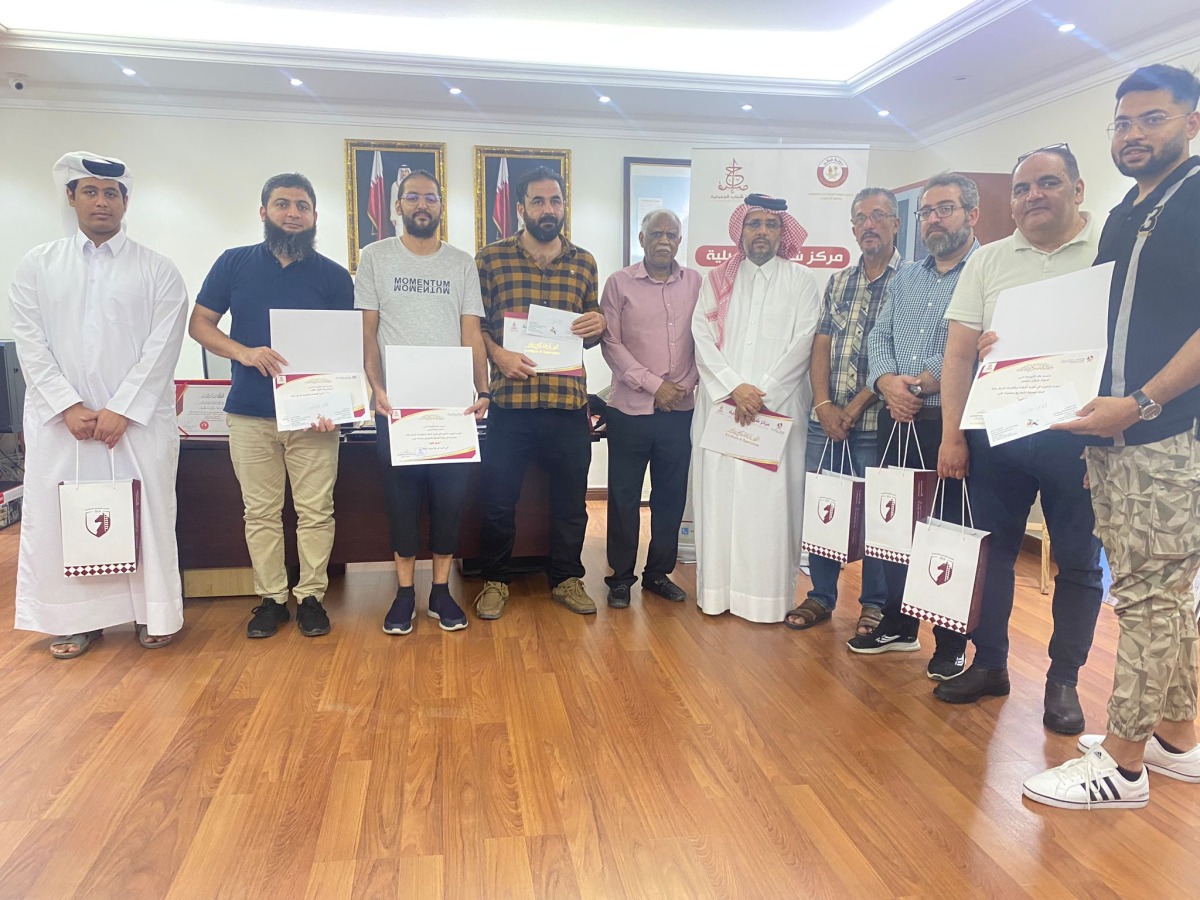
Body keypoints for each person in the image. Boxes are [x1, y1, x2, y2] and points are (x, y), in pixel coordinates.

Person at [1023, 64, 1200, 810]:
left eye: (1152, 120)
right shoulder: (1129, 212)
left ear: (1191, 120)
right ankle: (1178, 739)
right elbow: (1094, 319)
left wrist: (1143, 405)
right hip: (1116, 437)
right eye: (1123, 123)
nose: (1133, 135)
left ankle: (1122, 766)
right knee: (1169, 594)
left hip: (1165, 433)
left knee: (1148, 596)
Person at [937, 145, 1103, 731]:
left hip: (1079, 438)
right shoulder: (988, 263)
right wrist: (952, 435)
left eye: (1048, 183)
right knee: (994, 556)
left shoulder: (1111, 250)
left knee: (1080, 563)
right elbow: (958, 355)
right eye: (1022, 188)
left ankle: (1064, 683)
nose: (1034, 196)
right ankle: (991, 665)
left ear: (1078, 190)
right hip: (996, 435)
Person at [10, 151, 188, 657]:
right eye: (90, 191)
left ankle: (151, 614)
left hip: (136, 425)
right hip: (61, 425)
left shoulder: (158, 270)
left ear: (125, 202)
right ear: (71, 198)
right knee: (64, 518)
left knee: (145, 517)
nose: (101, 202)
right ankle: (74, 620)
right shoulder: (37, 265)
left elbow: (163, 346)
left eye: (111, 193)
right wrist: (68, 405)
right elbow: (30, 342)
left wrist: (123, 409)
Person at [190, 173, 354, 639]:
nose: (292, 213)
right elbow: (200, 324)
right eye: (282, 204)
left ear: (314, 217)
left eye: (302, 206)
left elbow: (343, 351)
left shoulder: (334, 276)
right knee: (259, 512)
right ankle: (270, 598)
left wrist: (336, 406)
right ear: (264, 212)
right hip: (249, 411)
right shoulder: (234, 263)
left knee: (315, 511)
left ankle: (311, 597)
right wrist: (243, 352)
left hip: (313, 418)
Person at [357, 169, 489, 634]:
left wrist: (484, 389)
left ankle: (439, 592)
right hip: (397, 407)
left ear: (439, 206)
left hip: (452, 407)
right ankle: (404, 593)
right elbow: (367, 331)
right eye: (412, 197)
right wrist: (376, 388)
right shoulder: (374, 257)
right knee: (402, 501)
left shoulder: (460, 263)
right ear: (398, 206)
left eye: (430, 198)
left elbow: (471, 331)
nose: (421, 205)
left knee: (450, 501)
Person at [859, 173, 979, 680]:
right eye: (928, 211)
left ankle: (950, 642)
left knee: (947, 532)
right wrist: (888, 381)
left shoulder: (985, 270)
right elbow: (877, 335)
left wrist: (924, 384)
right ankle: (899, 622)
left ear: (972, 215)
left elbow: (974, 343)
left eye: (945, 209)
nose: (934, 219)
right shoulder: (906, 277)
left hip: (953, 425)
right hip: (897, 419)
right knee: (896, 525)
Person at [473, 166, 607, 619]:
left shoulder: (584, 262)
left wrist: (599, 323)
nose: (547, 210)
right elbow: (478, 326)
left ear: (563, 206)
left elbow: (589, 328)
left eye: (555, 201)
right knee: (497, 499)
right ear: (520, 208)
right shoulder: (490, 259)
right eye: (537, 201)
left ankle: (567, 578)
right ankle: (494, 580)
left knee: (571, 502)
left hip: (569, 405)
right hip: (512, 405)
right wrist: (498, 356)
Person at [691, 193, 822, 623]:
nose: (761, 231)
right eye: (753, 224)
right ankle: (716, 592)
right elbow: (702, 340)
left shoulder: (802, 280)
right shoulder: (715, 280)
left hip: (775, 413)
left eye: (770, 224)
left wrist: (760, 393)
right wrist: (733, 388)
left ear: (783, 232)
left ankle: (764, 599)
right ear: (740, 231)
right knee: (721, 498)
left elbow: (803, 344)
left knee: (768, 505)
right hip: (723, 410)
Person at [785, 188, 898, 635]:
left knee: (877, 517)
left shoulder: (908, 280)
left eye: (877, 216)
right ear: (852, 228)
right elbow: (822, 345)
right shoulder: (838, 281)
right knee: (824, 510)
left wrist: (850, 408)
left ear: (894, 223)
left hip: (875, 423)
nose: (868, 225)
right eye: (860, 219)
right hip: (825, 423)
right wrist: (823, 405)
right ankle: (821, 596)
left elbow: (897, 355)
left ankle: (873, 604)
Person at [600, 209, 700, 608]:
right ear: (641, 239)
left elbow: (705, 340)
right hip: (629, 412)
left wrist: (685, 386)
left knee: (670, 497)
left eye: (671, 234)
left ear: (679, 240)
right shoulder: (618, 283)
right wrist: (656, 386)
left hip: (681, 411)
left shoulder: (695, 282)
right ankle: (620, 578)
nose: (664, 240)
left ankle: (658, 573)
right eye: (655, 233)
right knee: (624, 498)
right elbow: (611, 343)